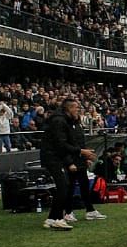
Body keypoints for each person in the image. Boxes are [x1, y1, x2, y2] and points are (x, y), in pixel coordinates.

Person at [39, 98, 98, 231]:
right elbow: (61, 144)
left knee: (64, 186)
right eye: (76, 108)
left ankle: (52, 218)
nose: (78, 110)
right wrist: (80, 152)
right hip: (53, 158)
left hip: (56, 157)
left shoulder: (63, 121)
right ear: (69, 108)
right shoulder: (59, 121)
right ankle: (58, 218)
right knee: (63, 186)